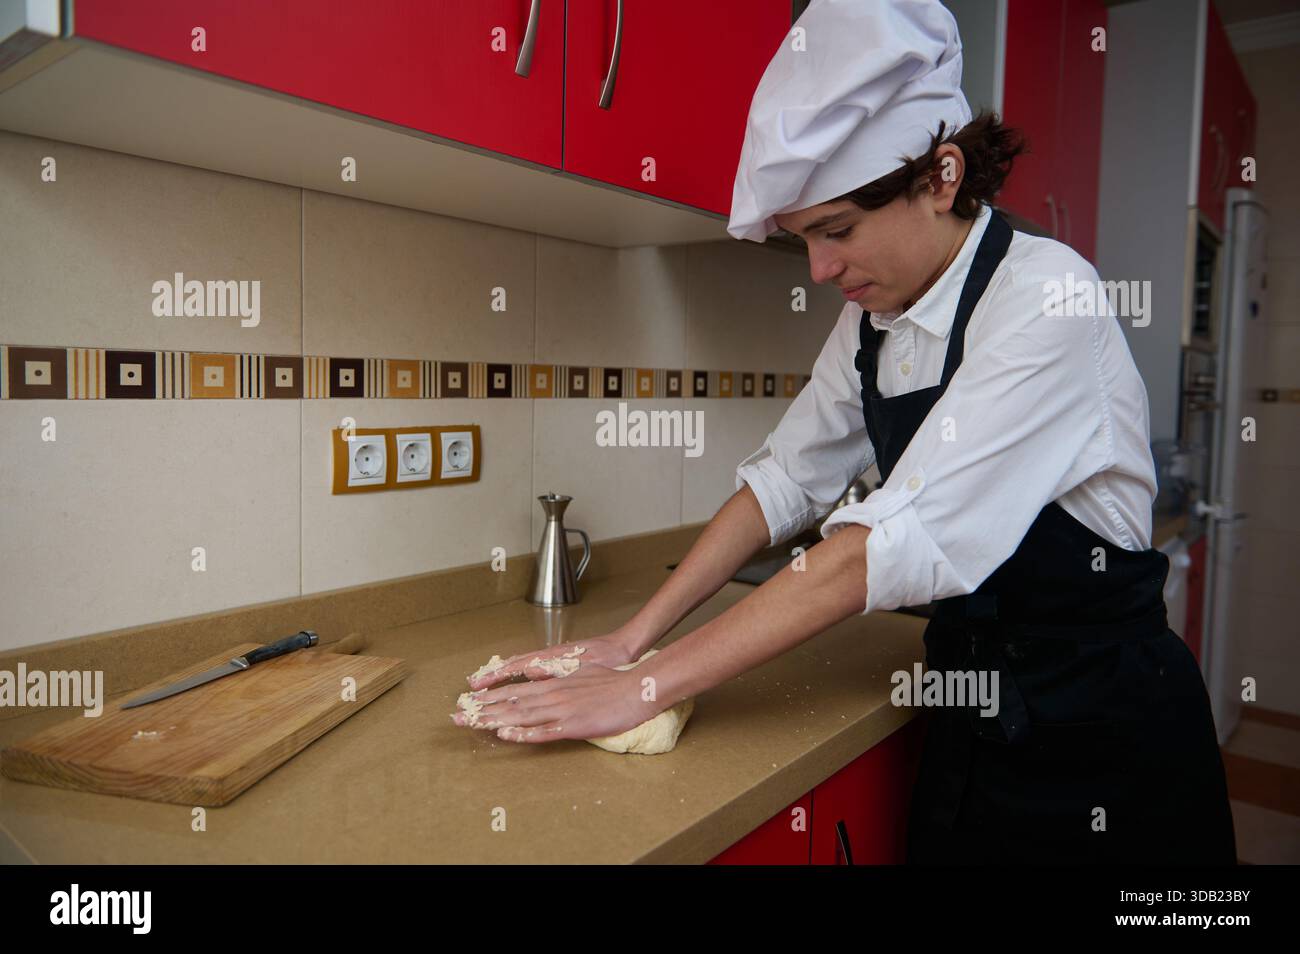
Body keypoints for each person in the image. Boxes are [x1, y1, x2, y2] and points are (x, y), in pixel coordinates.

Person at [451, 0, 1236, 864]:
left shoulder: (1051, 298)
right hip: (970, 711)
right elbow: (784, 481)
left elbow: (876, 547)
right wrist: (633, 636)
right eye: (803, 239)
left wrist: (644, 689)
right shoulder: (877, 317)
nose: (821, 270)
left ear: (942, 178)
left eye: (837, 231)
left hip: (1102, 735)